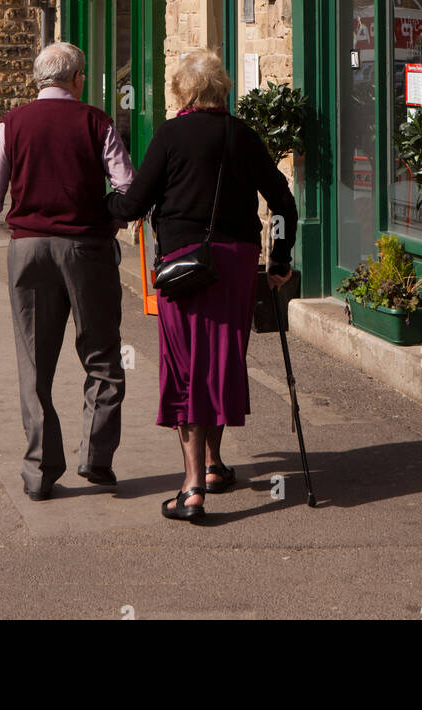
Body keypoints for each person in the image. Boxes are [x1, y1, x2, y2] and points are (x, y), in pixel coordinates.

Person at [106, 48, 296, 522]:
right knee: (219, 362)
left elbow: (131, 205)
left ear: (182, 91)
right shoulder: (243, 135)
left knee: (186, 368)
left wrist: (99, 206)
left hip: (183, 267)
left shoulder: (170, 135)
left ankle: (191, 488)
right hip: (234, 265)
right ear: (222, 90)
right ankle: (212, 466)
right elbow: (284, 204)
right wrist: (280, 260)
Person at [0, 42, 134, 500]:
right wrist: (109, 219)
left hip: (29, 247)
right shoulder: (95, 120)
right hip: (87, 249)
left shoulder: (12, 123)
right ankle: (96, 458)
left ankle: (41, 470)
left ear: (38, 80)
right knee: (102, 355)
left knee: (35, 364)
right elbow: (127, 186)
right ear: (77, 78)